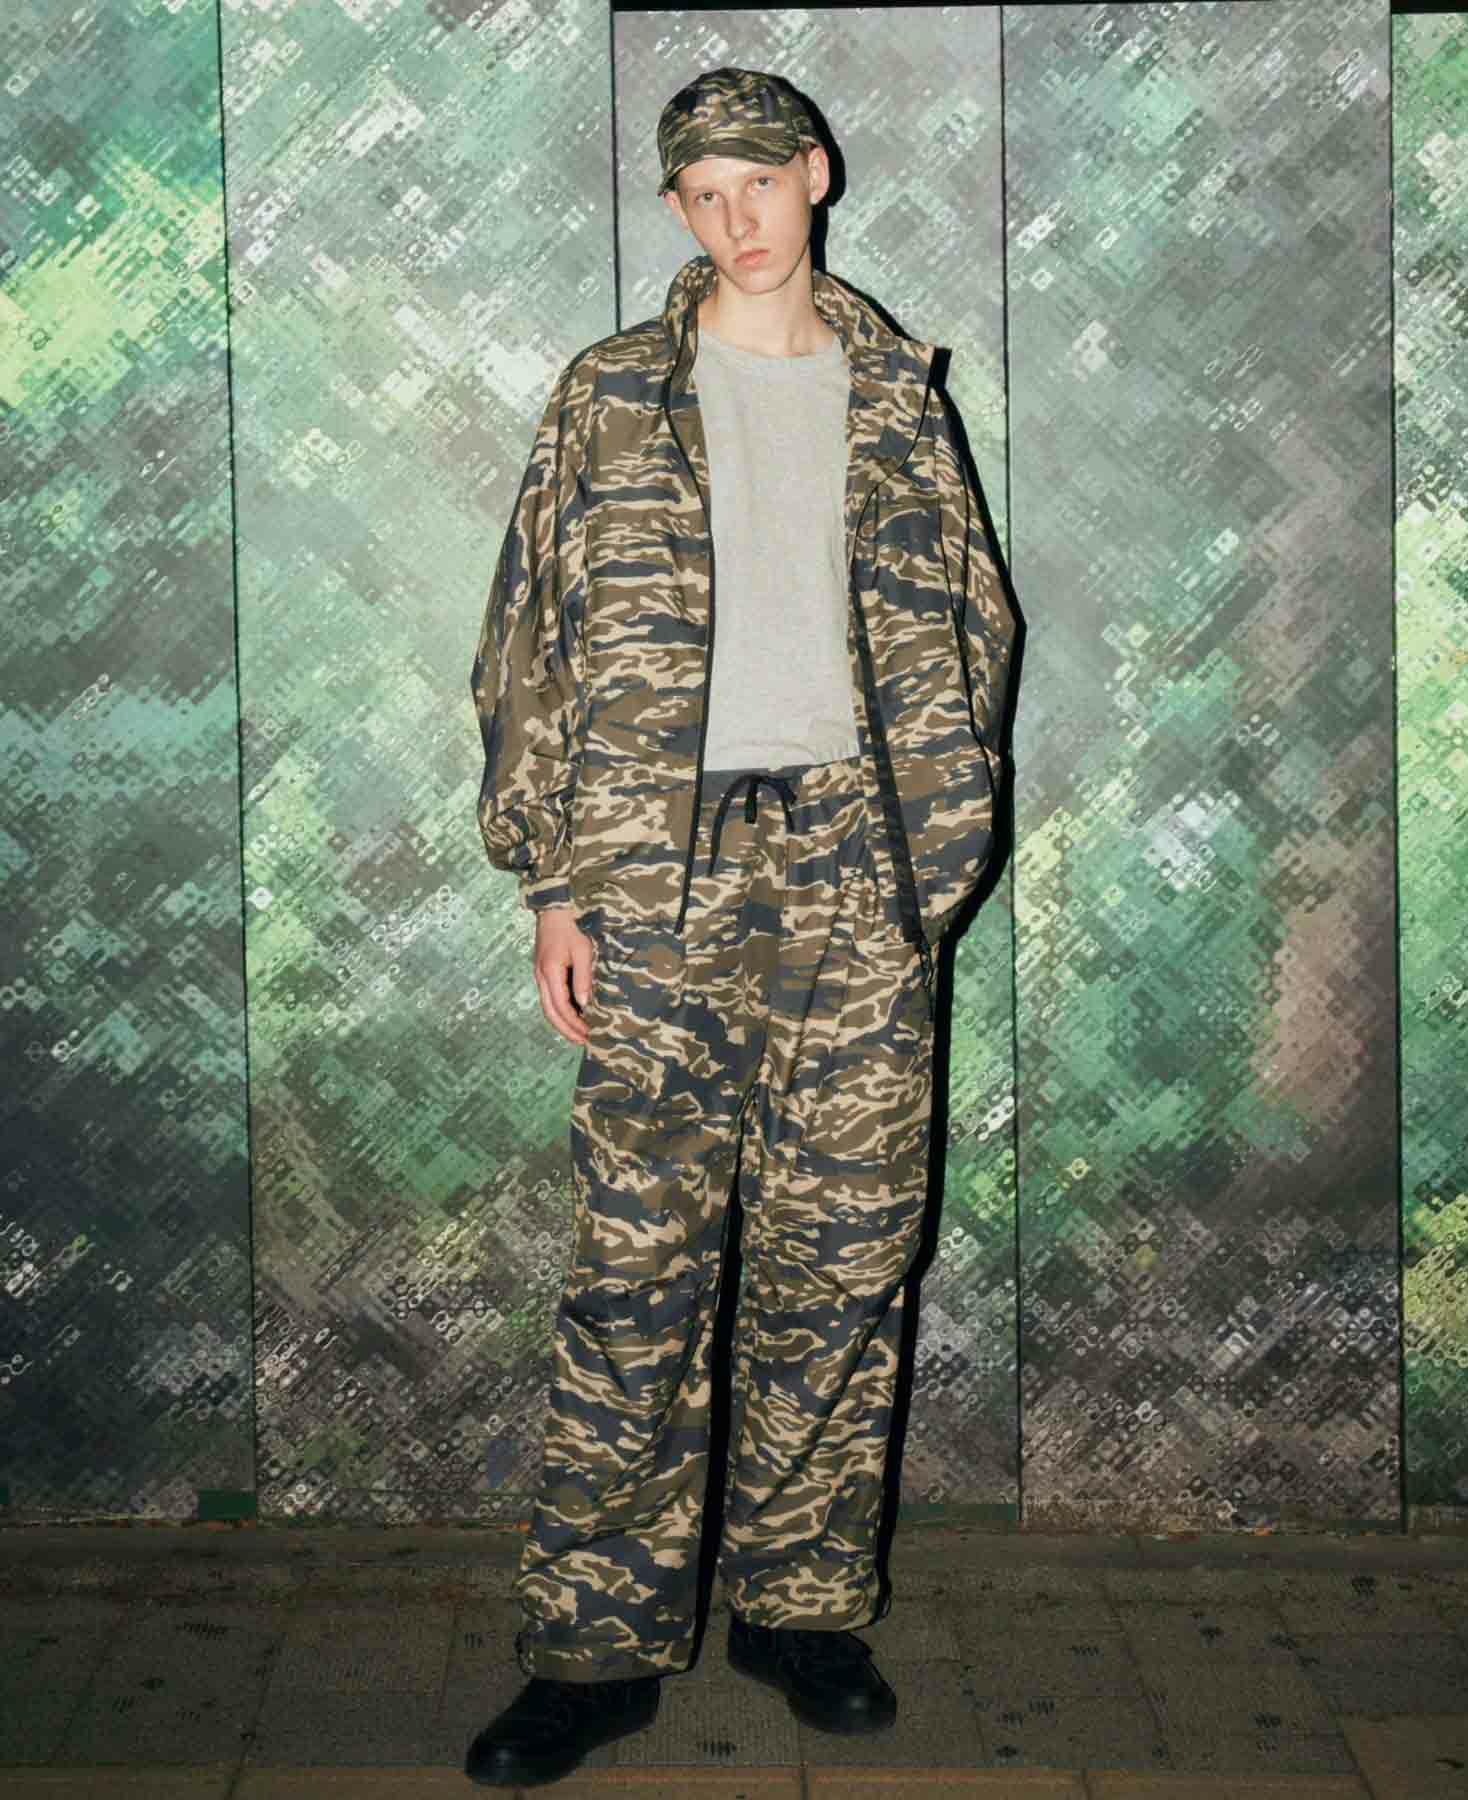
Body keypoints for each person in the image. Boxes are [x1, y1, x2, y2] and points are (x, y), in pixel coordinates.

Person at [463, 64, 1014, 1790]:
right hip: (659, 881)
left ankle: (803, 1608)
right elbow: (528, 642)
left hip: (856, 870)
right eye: (702, 192)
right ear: (677, 208)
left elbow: (978, 621)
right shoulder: (609, 395)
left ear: (816, 174)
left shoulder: (898, 395)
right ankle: (594, 1647)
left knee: (843, 1259)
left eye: (759, 181)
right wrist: (555, 879)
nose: (735, 216)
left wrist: (934, 850)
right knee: (636, 1274)